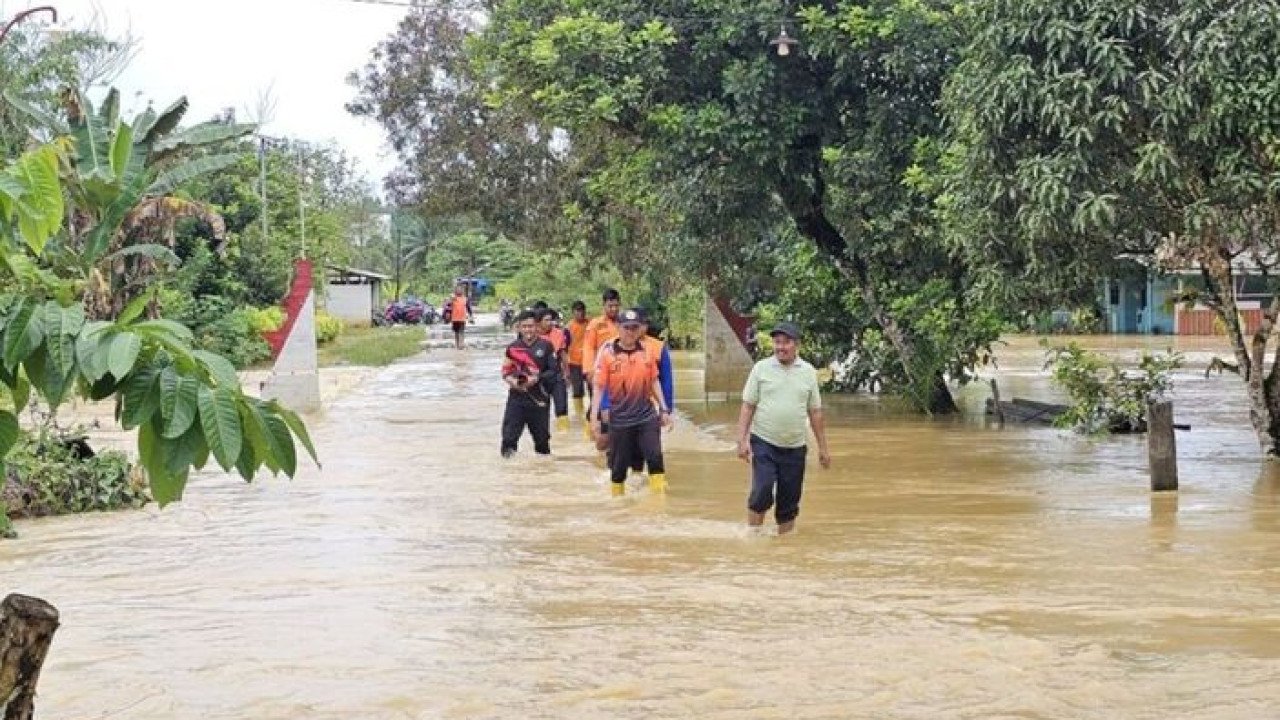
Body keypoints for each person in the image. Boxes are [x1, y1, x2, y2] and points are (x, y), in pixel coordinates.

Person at [735, 322, 831, 535]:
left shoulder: (807, 372)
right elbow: (748, 405)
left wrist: (823, 449)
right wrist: (741, 440)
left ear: (796, 345)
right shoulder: (761, 368)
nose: (780, 347)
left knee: (789, 502)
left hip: (795, 446)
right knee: (762, 491)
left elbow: (815, 412)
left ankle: (785, 550)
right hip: (764, 442)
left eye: (785, 342)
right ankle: (753, 536)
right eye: (777, 342)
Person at [591, 308, 673, 496]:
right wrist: (595, 418)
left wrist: (664, 409)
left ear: (639, 329)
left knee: (655, 458)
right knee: (618, 468)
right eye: (626, 327)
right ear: (618, 328)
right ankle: (618, 503)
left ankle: (658, 502)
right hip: (619, 418)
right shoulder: (607, 354)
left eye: (634, 327)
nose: (630, 332)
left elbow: (654, 381)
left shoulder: (647, 352)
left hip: (645, 415)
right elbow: (598, 388)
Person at [500, 311, 557, 457]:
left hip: (539, 400)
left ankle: (543, 474)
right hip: (516, 399)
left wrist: (536, 378)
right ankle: (509, 474)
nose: (527, 330)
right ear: (518, 328)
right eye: (524, 326)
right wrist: (512, 381)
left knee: (542, 443)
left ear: (536, 326)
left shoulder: (546, 346)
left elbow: (554, 371)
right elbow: (505, 371)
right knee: (508, 440)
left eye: (530, 326)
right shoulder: (512, 348)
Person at [583, 289, 622, 434]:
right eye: (610, 306)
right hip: (600, 371)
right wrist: (589, 371)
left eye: (616, 305)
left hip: (621, 372)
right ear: (604, 306)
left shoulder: (624, 322)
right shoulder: (595, 324)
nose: (613, 309)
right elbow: (588, 347)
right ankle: (591, 436)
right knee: (597, 405)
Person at [539, 308, 571, 433]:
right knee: (542, 409)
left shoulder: (559, 333)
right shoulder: (534, 335)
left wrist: (567, 374)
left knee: (562, 407)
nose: (550, 322)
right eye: (546, 320)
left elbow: (563, 354)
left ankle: (564, 436)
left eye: (551, 320)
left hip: (557, 374)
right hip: (540, 377)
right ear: (539, 322)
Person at [566, 300, 590, 421]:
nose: (580, 313)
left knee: (593, 387)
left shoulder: (590, 323)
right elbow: (563, 346)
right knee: (577, 388)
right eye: (578, 311)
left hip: (589, 361)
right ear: (573, 312)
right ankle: (579, 415)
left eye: (582, 310)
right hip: (574, 362)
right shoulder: (569, 327)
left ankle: (593, 412)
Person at [448, 284, 473, 350]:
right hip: (454, 318)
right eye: (457, 289)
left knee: (461, 331)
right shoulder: (453, 298)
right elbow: (448, 305)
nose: (459, 291)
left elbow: (468, 308)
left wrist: (471, 316)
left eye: (460, 289)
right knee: (456, 332)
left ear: (462, 291)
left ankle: (461, 344)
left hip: (462, 318)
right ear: (455, 291)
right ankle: (457, 344)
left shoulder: (465, 299)